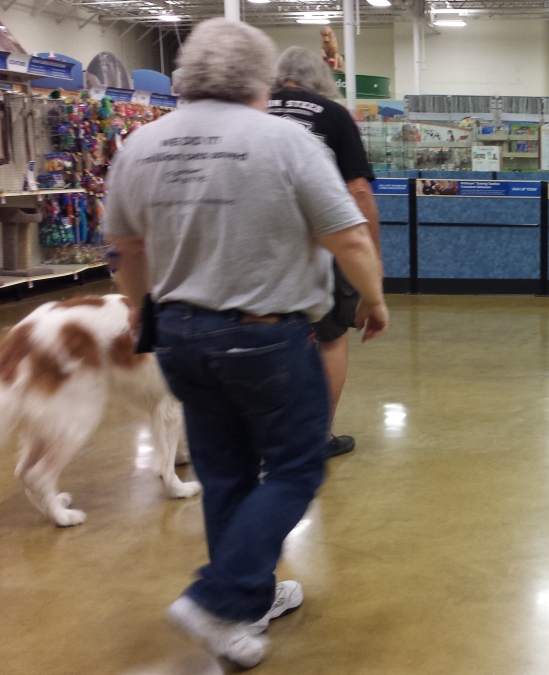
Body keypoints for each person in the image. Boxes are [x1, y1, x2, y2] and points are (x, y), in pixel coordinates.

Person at [103, 19, 387, 668]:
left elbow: (125, 248)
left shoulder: (141, 144)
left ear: (187, 76)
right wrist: (372, 298)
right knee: (296, 467)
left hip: (179, 334)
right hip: (264, 335)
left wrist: (140, 308)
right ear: (260, 80)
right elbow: (347, 234)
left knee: (224, 470)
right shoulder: (284, 141)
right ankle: (218, 594)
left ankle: (246, 602)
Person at [268, 46, 381, 460]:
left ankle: (267, 435)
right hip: (323, 242)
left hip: (260, 247)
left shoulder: (252, 109)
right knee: (331, 337)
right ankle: (318, 437)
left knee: (265, 334)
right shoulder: (331, 114)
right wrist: (372, 261)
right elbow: (359, 191)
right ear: (321, 80)